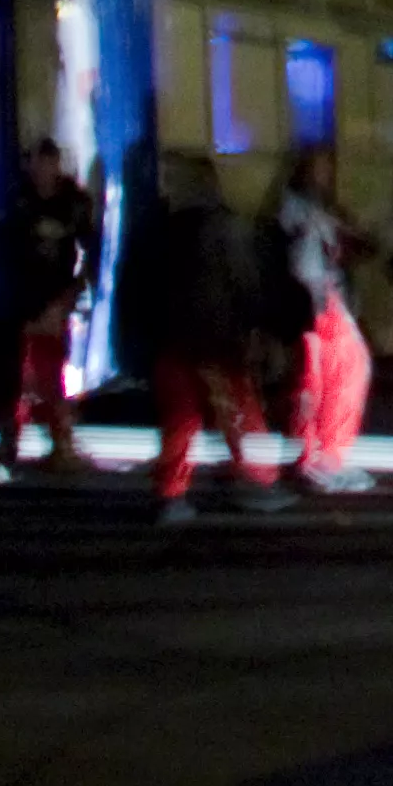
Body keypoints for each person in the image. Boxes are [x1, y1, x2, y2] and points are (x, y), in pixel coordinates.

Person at [134, 154, 287, 522]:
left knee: (181, 416)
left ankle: (171, 494)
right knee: (240, 411)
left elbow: (141, 286)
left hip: (175, 338)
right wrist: (254, 329)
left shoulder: (159, 228)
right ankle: (255, 481)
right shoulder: (224, 227)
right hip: (216, 338)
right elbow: (244, 283)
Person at [0, 138, 101, 478]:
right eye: (36, 165)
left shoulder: (73, 202)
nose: (41, 172)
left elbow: (90, 252)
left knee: (50, 374)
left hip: (55, 299)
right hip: (20, 300)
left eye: (47, 164)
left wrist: (71, 296)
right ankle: (11, 440)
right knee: (16, 374)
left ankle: (60, 443)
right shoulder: (19, 200)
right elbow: (5, 250)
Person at [271, 141, 375, 487]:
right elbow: (298, 251)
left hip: (324, 298)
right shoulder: (294, 208)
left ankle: (323, 453)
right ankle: (316, 455)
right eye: (318, 167)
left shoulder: (317, 208)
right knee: (318, 379)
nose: (325, 174)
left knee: (337, 374)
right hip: (311, 301)